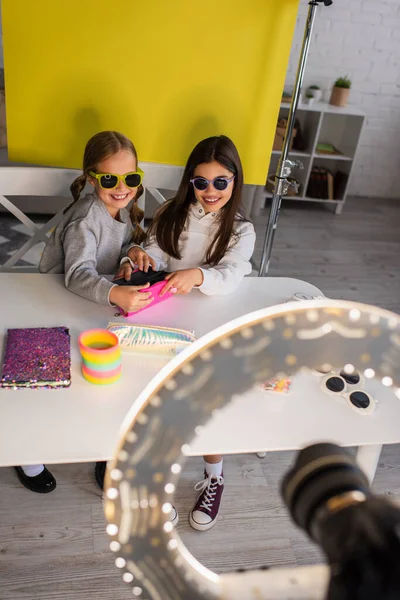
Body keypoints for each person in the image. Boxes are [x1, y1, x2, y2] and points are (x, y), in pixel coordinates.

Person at [127, 135, 256, 530]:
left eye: (221, 181)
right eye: (201, 182)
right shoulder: (170, 212)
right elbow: (154, 251)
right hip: (166, 317)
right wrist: (137, 257)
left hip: (214, 319)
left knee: (207, 400)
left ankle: (214, 476)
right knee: (158, 398)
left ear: (235, 181)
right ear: (190, 182)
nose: (211, 191)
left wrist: (199, 274)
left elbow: (233, 274)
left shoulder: (241, 229)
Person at [14, 131, 152, 494]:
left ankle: (105, 448)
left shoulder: (117, 207)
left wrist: (130, 254)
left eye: (131, 179)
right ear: (92, 178)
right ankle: (27, 454)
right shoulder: (86, 217)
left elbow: (118, 244)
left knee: (110, 377)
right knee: (50, 383)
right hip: (57, 305)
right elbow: (77, 275)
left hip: (92, 306)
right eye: (110, 180)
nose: (122, 188)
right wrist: (115, 292)